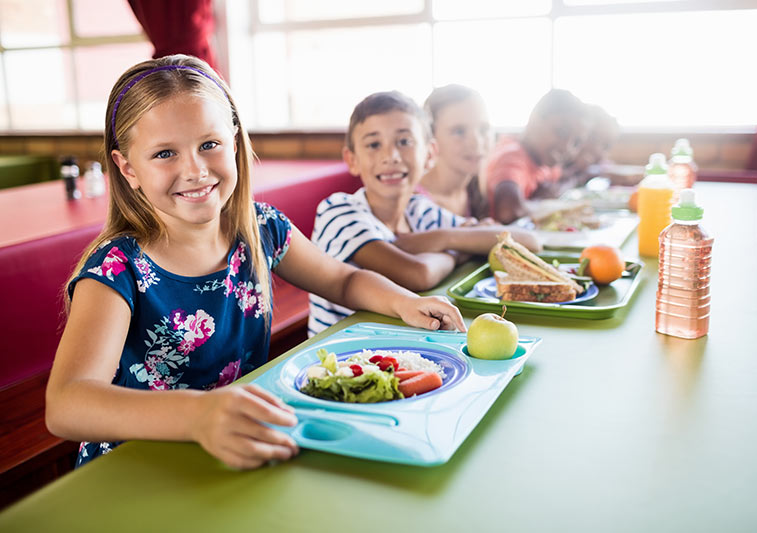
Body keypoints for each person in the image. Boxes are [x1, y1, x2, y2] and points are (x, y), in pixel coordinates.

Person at [45, 56, 466, 470]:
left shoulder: (261, 228)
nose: (195, 170)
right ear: (127, 167)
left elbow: (343, 279)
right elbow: (67, 402)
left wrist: (404, 302)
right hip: (140, 467)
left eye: (209, 145)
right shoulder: (117, 268)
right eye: (164, 154)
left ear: (233, 140)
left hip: (241, 446)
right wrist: (198, 414)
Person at [308, 91, 540, 336]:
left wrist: (444, 238)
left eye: (404, 141)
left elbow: (527, 241)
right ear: (352, 159)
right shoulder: (338, 211)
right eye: (374, 144)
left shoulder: (419, 210)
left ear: (429, 154)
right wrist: (459, 250)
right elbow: (417, 274)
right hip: (340, 356)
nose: (391, 157)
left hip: (402, 345)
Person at [486, 89, 589, 224]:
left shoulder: (544, 161)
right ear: (534, 120)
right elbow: (508, 211)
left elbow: (562, 181)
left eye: (576, 142)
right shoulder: (512, 157)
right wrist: (546, 204)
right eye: (562, 132)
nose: (567, 147)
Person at [419, 84, 493, 219]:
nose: (477, 142)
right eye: (459, 131)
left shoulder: (476, 191)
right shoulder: (414, 202)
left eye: (484, 129)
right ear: (431, 137)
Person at [559, 104, 620, 188]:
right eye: (594, 138)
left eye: (606, 146)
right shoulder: (558, 159)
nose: (598, 149)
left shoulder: (601, 166)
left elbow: (608, 169)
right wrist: (576, 169)